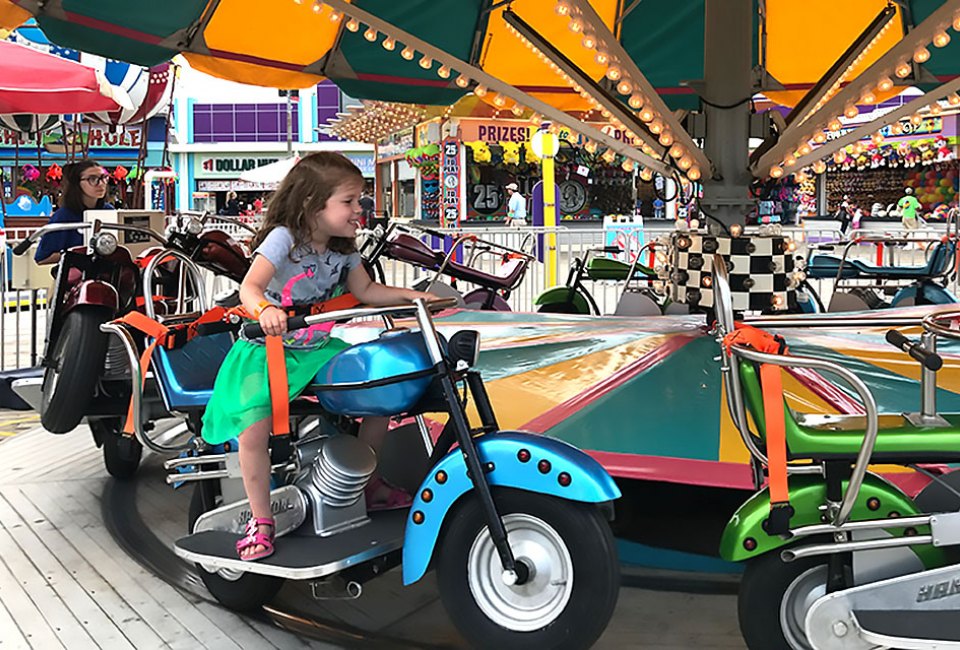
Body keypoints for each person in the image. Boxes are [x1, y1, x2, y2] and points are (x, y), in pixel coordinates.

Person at [201, 152, 436, 562]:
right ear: (312, 203)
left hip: (315, 350)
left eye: (359, 200)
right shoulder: (283, 239)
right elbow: (250, 288)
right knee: (253, 431)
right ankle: (261, 518)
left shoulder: (344, 250)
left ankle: (367, 482)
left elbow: (367, 291)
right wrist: (265, 310)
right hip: (266, 350)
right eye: (349, 201)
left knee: (379, 386)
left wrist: (417, 297)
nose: (359, 209)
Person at [35, 159, 112, 265]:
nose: (101, 184)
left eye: (104, 178)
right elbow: (42, 258)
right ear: (77, 184)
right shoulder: (63, 216)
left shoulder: (109, 211)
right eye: (93, 179)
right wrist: (78, 255)